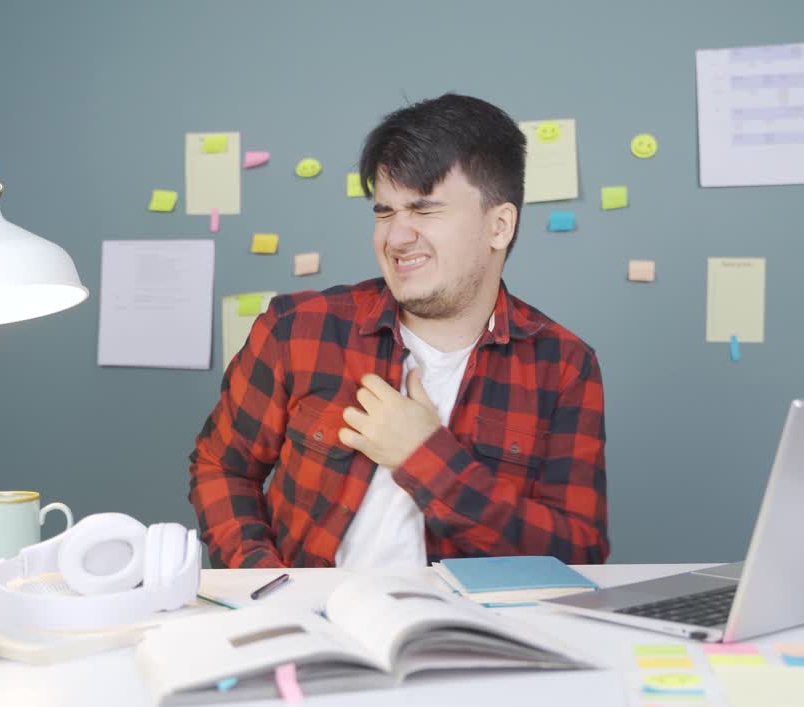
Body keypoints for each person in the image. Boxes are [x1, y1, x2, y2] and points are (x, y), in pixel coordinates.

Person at [189, 93, 608, 569]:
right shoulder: (296, 329)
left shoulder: (564, 366)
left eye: (424, 211)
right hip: (309, 628)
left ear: (499, 226)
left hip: (467, 634)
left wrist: (425, 458)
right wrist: (266, 585)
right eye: (385, 212)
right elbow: (220, 467)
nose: (396, 237)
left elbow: (578, 552)